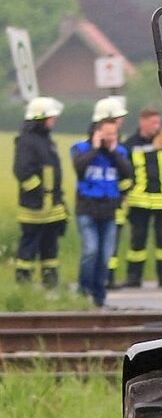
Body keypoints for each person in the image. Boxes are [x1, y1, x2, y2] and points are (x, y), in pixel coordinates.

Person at [119, 108, 162, 288]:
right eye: (153, 122)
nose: (156, 126)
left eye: (158, 122)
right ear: (142, 122)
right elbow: (123, 171)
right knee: (137, 243)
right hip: (138, 201)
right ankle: (134, 277)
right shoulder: (130, 144)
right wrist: (124, 192)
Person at [68, 117, 132, 308]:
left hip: (109, 211)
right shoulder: (80, 149)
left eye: (114, 133)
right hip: (87, 209)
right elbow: (79, 168)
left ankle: (99, 295)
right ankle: (84, 288)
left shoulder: (119, 152)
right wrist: (95, 148)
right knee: (91, 250)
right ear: (97, 132)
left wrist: (113, 153)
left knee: (105, 256)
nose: (111, 137)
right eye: (107, 133)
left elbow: (128, 172)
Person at [13, 96, 66, 289]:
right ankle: (23, 285)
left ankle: (50, 284)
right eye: (52, 116)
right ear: (41, 118)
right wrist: (39, 193)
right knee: (29, 247)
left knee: (50, 249)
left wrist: (56, 200)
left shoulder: (45, 140)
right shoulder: (27, 141)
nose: (55, 120)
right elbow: (23, 172)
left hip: (50, 208)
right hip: (34, 209)